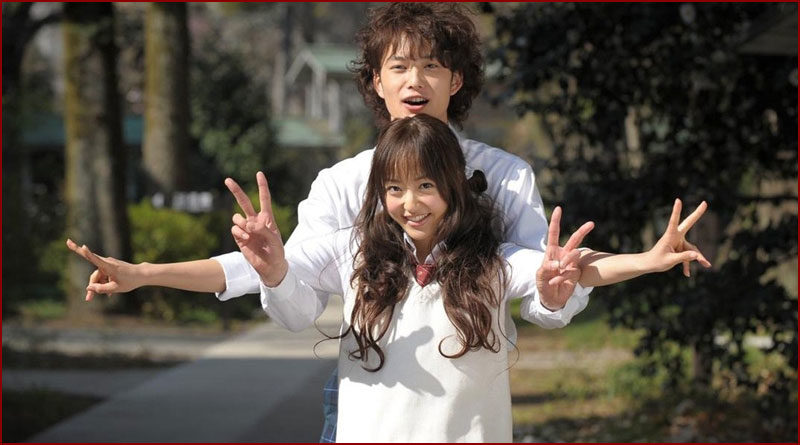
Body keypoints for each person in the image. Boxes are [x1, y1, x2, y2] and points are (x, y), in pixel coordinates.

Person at [66, 3, 711, 441]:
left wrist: (610, 272)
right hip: (369, 403)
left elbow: (550, 275)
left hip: (469, 410)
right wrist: (146, 272)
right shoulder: (343, 186)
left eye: (431, 65)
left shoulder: (506, 176)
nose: (415, 80)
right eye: (398, 66)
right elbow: (284, 289)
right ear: (375, 81)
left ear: (456, 79)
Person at [220, 114, 710, 441]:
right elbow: (280, 301)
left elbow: (575, 266)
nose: (410, 203)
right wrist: (275, 271)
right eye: (394, 188)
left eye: (425, 186)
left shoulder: (490, 261)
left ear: (454, 187)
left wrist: (647, 259)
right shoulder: (354, 251)